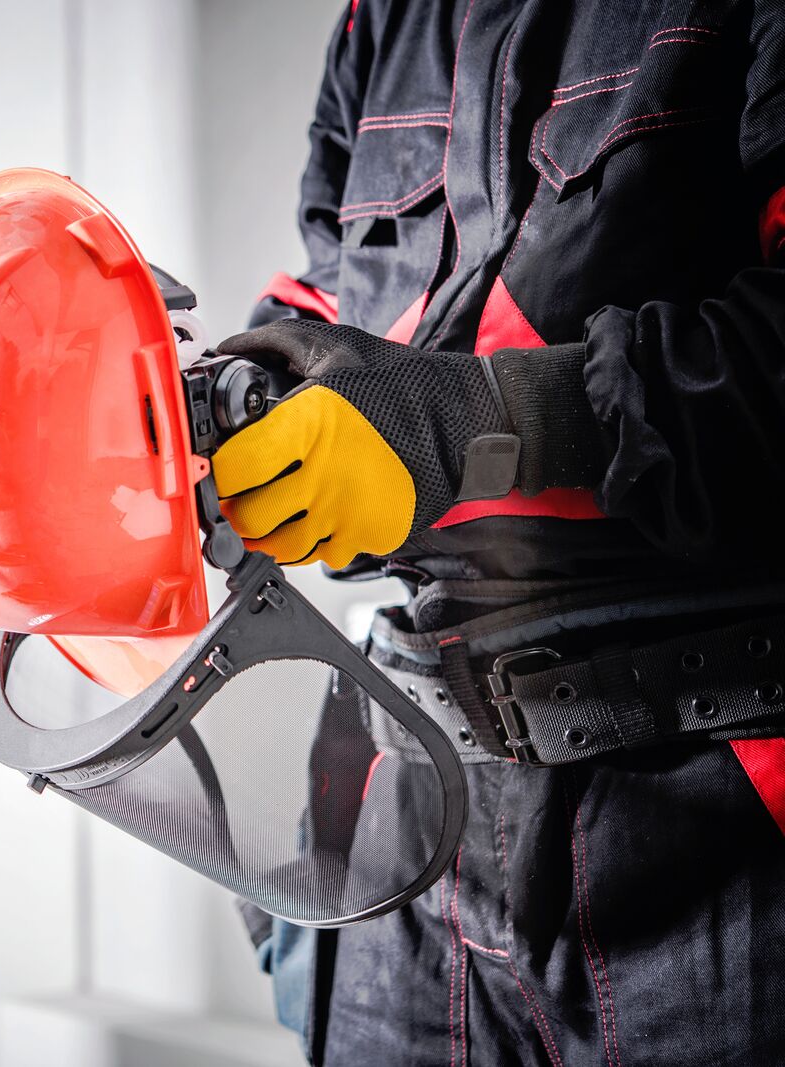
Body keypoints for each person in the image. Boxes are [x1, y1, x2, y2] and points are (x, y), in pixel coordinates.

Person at [214, 1, 785, 1063]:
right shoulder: (380, 22)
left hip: (713, 833)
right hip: (408, 837)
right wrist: (218, 415)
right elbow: (326, 297)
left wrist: (477, 425)